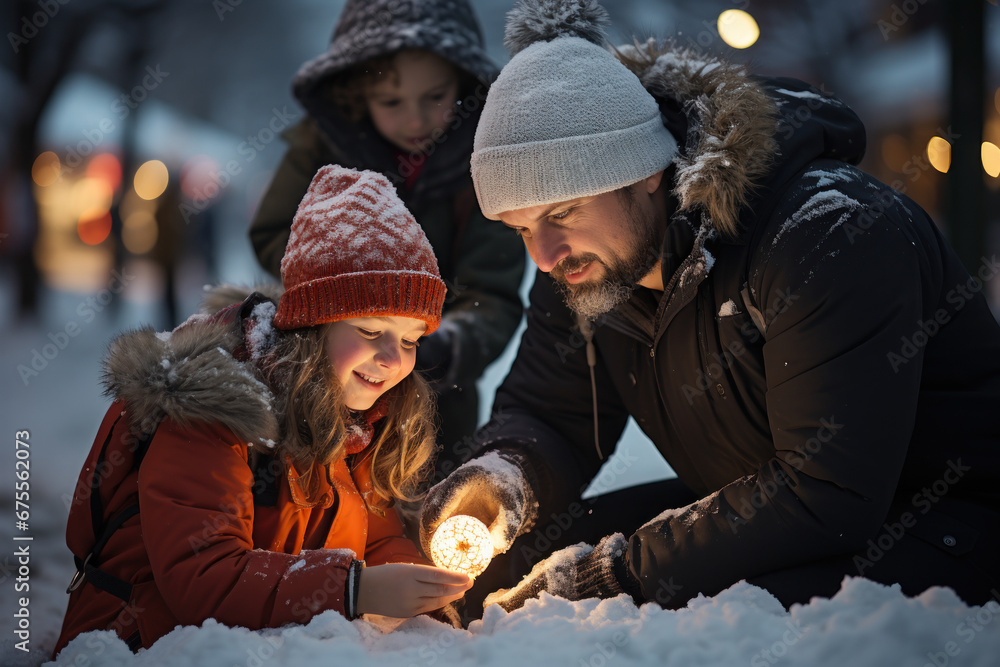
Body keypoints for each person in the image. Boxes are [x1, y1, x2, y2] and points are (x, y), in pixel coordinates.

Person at [420, 0, 1000, 616]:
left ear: (644, 171)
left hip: (936, 527)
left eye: (560, 213)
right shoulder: (587, 263)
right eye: (520, 229)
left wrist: (615, 574)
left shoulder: (825, 234)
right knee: (508, 567)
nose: (542, 254)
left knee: (637, 615)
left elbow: (826, 491)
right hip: (760, 505)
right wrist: (500, 484)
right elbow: (553, 414)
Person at [54, 166, 472, 656]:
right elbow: (202, 576)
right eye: (369, 330)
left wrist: (425, 598)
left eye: (409, 339)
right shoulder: (211, 412)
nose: (393, 358)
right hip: (138, 643)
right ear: (313, 325)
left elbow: (374, 538)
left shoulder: (356, 416)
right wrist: (355, 590)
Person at [249, 0, 526, 476]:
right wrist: (339, 281)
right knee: (317, 497)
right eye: (391, 102)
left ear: (463, 87)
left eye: (434, 97)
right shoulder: (320, 146)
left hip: (439, 400)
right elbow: (273, 231)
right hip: (325, 374)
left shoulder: (480, 166)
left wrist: (443, 347)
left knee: (425, 511)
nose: (415, 119)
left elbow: (492, 294)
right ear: (358, 96)